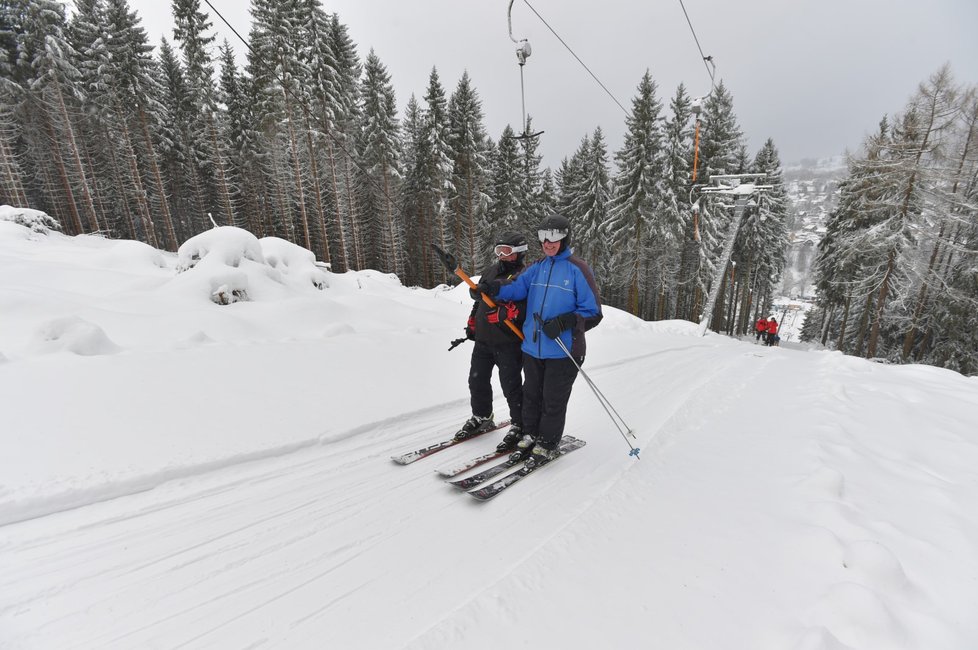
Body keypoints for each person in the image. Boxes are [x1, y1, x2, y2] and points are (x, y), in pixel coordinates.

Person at [478, 212, 602, 469]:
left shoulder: (578, 269)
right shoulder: (536, 268)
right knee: (531, 396)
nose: (548, 242)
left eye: (554, 237)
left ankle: (547, 443)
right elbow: (516, 289)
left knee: (552, 400)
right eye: (544, 237)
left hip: (564, 350)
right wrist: (493, 288)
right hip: (533, 347)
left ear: (565, 237)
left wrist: (566, 322)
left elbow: (593, 313)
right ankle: (530, 434)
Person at [454, 231, 529, 442]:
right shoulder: (490, 271)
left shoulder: (524, 276)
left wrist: (511, 312)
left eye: (507, 251)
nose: (502, 255)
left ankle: (520, 424)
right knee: (476, 381)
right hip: (484, 340)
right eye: (499, 251)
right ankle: (482, 416)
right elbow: (480, 300)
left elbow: (527, 304)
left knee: (511, 386)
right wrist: (472, 322)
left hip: (508, 342)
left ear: (520, 252)